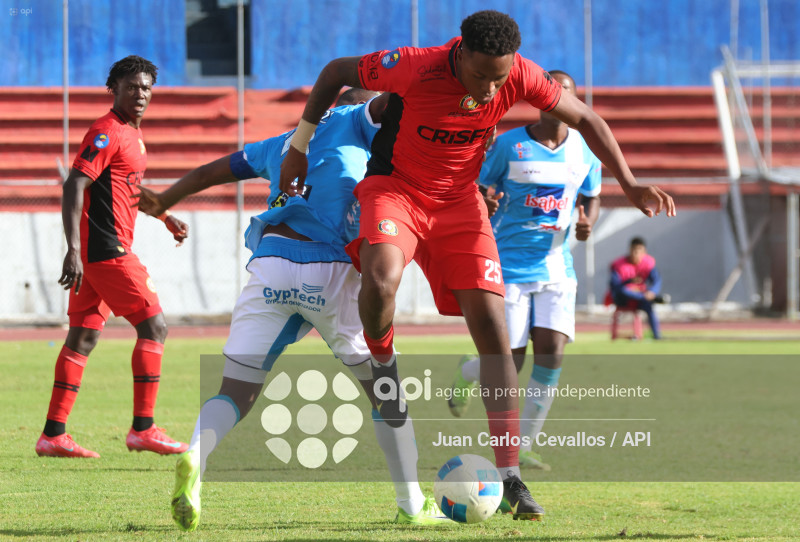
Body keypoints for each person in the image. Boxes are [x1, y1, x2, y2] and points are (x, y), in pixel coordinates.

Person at [279, 10, 675, 521]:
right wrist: (299, 145)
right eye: (481, 75)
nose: (491, 90)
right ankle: (382, 366)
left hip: (459, 205)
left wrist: (629, 181)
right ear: (459, 53)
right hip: (396, 191)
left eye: (500, 78)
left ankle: (511, 475)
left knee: (495, 331)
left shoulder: (523, 75)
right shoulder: (413, 66)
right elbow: (336, 71)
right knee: (381, 280)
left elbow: (589, 121)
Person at [134, 89, 444, 532]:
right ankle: (412, 504)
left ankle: (195, 456)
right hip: (332, 269)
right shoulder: (360, 119)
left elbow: (214, 170)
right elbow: (394, 101)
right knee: (387, 391)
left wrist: (166, 199)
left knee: (235, 392)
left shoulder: (283, 143)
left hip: (271, 265)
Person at [35, 55, 189, 459]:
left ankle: (53, 434)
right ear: (114, 88)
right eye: (132, 86)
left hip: (99, 254)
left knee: (82, 338)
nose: (140, 94)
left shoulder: (132, 136)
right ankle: (144, 428)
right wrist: (72, 249)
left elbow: (128, 192)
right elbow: (75, 184)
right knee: (154, 327)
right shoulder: (107, 131)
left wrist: (165, 216)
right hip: (106, 251)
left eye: (146, 88)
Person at [448, 71, 600, 473]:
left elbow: (592, 194)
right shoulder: (510, 145)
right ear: (541, 99)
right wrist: (486, 202)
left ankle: (525, 445)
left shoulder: (585, 149)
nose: (561, 102)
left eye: (568, 95)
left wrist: (588, 224)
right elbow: (476, 186)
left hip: (557, 270)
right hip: (508, 267)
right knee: (509, 365)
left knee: (551, 356)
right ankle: (468, 371)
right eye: (554, 94)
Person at [609, 237, 668, 339]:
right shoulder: (619, 265)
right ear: (630, 250)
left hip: (641, 297)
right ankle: (650, 298)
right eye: (634, 250)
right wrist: (629, 282)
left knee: (649, 306)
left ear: (644, 252)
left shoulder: (648, 264)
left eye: (639, 251)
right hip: (623, 299)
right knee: (624, 291)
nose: (636, 254)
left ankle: (657, 336)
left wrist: (652, 291)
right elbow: (615, 286)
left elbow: (657, 280)